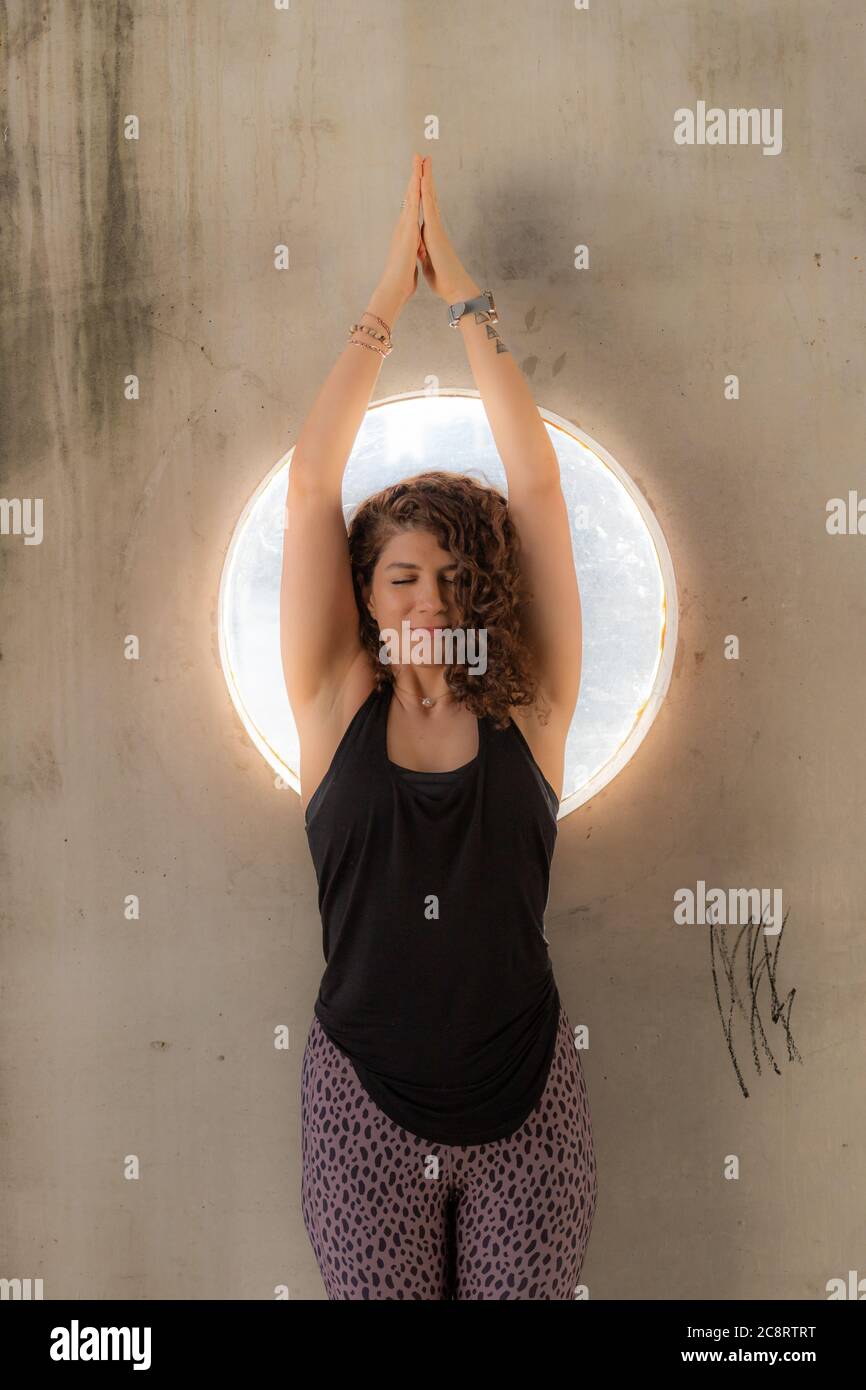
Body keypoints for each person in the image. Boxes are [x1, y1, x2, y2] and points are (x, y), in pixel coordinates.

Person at [281, 153, 597, 1300]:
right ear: (364, 593)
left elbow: (540, 488)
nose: (426, 598)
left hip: (528, 1111)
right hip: (361, 1105)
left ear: (483, 594)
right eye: (401, 575)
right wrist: (383, 297)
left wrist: (462, 297)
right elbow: (312, 481)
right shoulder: (331, 709)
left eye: (452, 576)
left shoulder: (535, 716)